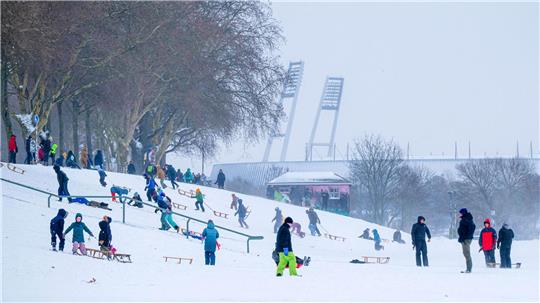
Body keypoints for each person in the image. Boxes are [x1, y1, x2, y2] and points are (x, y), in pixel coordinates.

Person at [457, 208, 476, 273]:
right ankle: (468, 268)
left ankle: (469, 269)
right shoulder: (466, 219)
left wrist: (465, 237)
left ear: (463, 213)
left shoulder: (467, 219)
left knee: (467, 253)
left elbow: (472, 228)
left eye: (460, 213)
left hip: (466, 239)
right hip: (464, 239)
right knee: (465, 253)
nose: (459, 214)